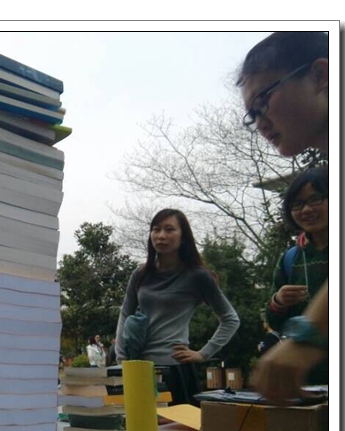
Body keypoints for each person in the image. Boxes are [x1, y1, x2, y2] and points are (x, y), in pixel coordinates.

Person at [237, 31, 329, 404]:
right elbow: (273, 317)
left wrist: (306, 338)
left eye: (263, 101)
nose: (260, 123)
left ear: (321, 75)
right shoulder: (291, 258)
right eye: (252, 115)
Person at [115, 209, 240, 405]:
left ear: (183, 238)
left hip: (175, 371)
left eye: (169, 229)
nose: (161, 236)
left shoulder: (197, 276)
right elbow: (125, 313)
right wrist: (121, 358)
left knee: (176, 424)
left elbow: (230, 319)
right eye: (156, 229)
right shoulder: (141, 274)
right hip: (138, 367)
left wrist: (203, 353)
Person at [264, 167, 329, 384]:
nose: (306, 210)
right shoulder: (291, 258)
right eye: (297, 204)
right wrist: (279, 302)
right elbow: (274, 321)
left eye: (316, 199)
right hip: (306, 377)